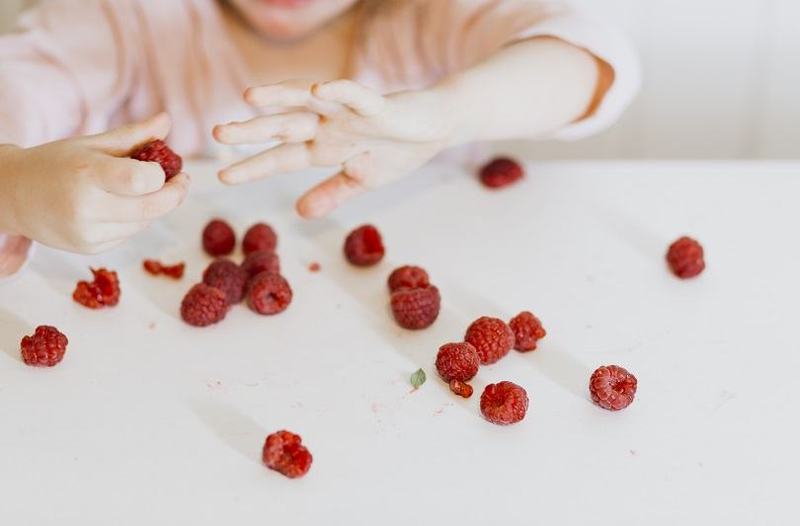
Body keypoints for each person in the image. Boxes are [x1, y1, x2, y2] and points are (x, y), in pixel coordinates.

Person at [0, 0, 640, 278]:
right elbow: (18, 89)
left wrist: (449, 112)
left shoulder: (428, 17)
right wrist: (14, 185)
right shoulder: (126, 17)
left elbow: (589, 58)